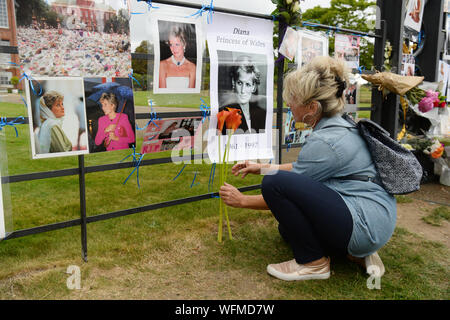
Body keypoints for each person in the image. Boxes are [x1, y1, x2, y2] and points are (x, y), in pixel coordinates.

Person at [219, 56, 396, 281]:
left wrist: (242, 200)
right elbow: (304, 170)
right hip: (374, 217)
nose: (289, 104)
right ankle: (356, 254)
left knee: (274, 183)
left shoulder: (326, 141)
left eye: (293, 98)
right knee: (287, 229)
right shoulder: (340, 124)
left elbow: (284, 186)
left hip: (363, 221)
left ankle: (314, 264)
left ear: (312, 107)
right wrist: (261, 167)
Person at [218, 55, 266, 134]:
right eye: (239, 83)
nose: (243, 90)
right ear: (234, 82)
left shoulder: (261, 113)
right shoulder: (225, 113)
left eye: (248, 84)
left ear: (253, 87)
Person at [159, 24, 196, 89]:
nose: (173, 48)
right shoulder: (162, 65)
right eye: (171, 45)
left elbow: (192, 95)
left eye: (177, 44)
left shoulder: (192, 67)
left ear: (184, 44)